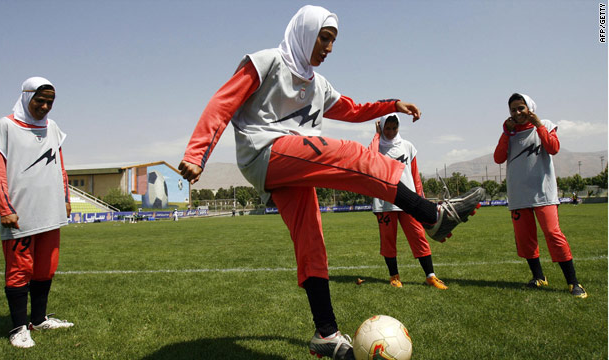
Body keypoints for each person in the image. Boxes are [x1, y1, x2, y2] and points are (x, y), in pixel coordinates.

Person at [178, 6, 484, 359]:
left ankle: (326, 333)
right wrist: (197, 153)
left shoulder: (318, 84)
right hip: (265, 152)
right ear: (306, 33)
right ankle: (431, 214)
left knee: (312, 240)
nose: (329, 48)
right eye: (324, 38)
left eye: (333, 41)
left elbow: (352, 109)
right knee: (351, 154)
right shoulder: (265, 62)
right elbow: (223, 103)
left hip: (293, 164)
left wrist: (392, 104)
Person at [0, 77, 74, 348]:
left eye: (50, 102)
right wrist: (5, 208)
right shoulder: (3, 127)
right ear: (26, 96)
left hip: (50, 211)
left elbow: (60, 166)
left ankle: (39, 318)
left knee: (45, 268)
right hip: (20, 215)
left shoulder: (52, 128)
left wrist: (65, 199)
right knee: (20, 269)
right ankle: (19, 328)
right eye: (39, 100)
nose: (44, 106)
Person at [493, 93, 587, 299]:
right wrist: (505, 133)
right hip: (519, 196)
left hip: (543, 193)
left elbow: (553, 148)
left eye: (521, 108)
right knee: (525, 240)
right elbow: (498, 158)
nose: (517, 113)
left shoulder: (545, 124)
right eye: (513, 110)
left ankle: (573, 282)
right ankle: (538, 277)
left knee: (554, 235)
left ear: (530, 108)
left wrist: (539, 126)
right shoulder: (509, 132)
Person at [370, 114, 448, 290]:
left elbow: (415, 175)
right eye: (386, 128)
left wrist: (421, 200)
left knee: (418, 237)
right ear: (381, 128)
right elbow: (369, 159)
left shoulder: (408, 147)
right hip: (384, 203)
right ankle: (394, 276)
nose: (390, 132)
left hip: (410, 202)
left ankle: (431, 276)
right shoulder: (376, 148)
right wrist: (376, 135)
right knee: (388, 240)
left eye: (394, 128)